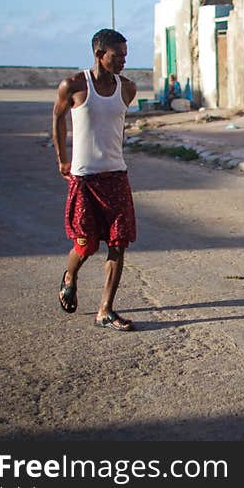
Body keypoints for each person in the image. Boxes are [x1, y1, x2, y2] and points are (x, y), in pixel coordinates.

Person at [52, 28, 138, 331]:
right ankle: (70, 276)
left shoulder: (127, 88)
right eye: (118, 56)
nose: (123, 61)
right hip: (84, 178)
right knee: (86, 244)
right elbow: (58, 117)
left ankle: (105, 310)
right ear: (99, 54)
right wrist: (63, 157)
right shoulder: (74, 86)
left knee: (119, 243)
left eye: (126, 55)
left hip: (116, 175)